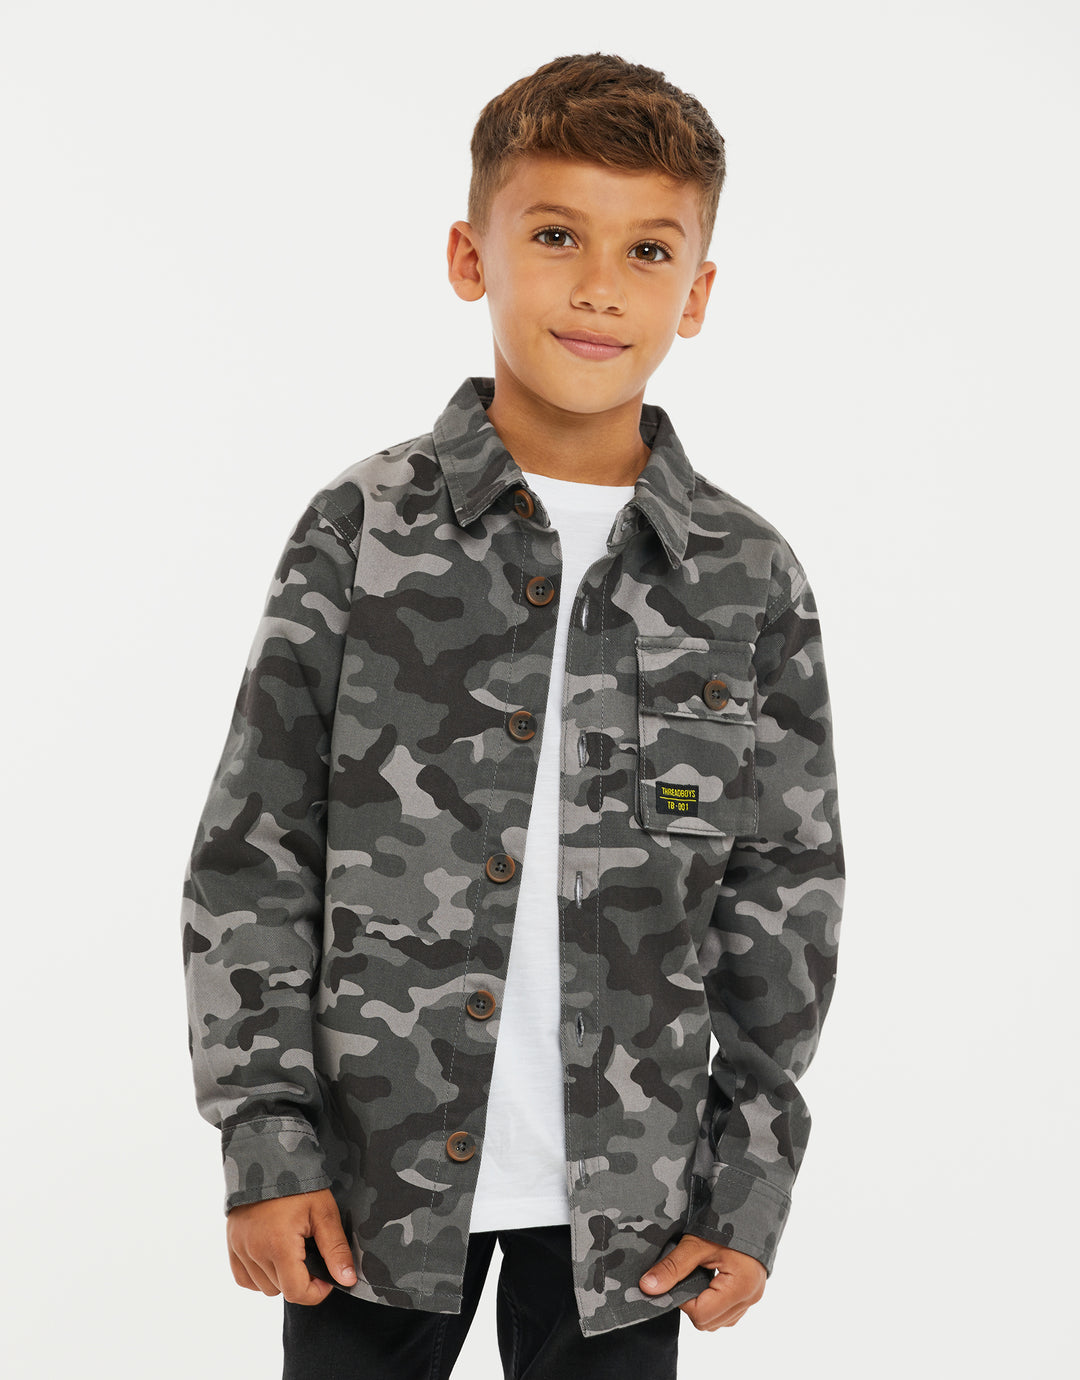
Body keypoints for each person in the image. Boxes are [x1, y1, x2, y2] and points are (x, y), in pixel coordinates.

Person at [182, 52, 844, 1380]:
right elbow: (256, 851)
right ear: (469, 255)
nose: (599, 286)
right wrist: (265, 1137)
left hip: (633, 1205)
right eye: (555, 236)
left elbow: (783, 895)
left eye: (647, 249)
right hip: (370, 1184)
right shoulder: (363, 528)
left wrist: (751, 1180)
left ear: (697, 292)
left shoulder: (746, 576)